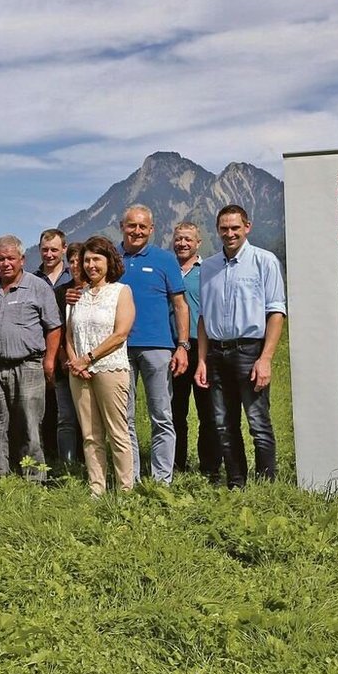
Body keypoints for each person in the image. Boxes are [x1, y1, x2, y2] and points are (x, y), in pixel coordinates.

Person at [194, 205, 287, 488]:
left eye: (235, 228)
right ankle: (236, 484)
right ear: (217, 229)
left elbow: (276, 312)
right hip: (216, 353)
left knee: (258, 423)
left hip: (250, 351)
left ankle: (265, 487)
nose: (229, 233)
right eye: (224, 228)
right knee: (224, 424)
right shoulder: (208, 267)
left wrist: (266, 358)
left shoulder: (264, 261)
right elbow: (203, 317)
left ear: (247, 227)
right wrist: (201, 360)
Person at [119, 204, 190, 483]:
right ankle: (131, 478)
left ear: (151, 229)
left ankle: (162, 480)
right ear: (122, 226)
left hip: (158, 347)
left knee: (161, 415)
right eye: (131, 225)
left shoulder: (164, 259)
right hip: (119, 348)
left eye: (142, 226)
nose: (136, 231)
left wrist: (182, 345)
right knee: (125, 419)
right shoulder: (111, 257)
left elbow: (180, 305)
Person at [0, 236, 62, 482]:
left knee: (29, 425)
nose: (5, 263)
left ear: (22, 260)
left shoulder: (38, 287)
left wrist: (49, 361)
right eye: (1, 259)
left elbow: (54, 327)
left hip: (28, 365)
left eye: (10, 258)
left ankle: (34, 478)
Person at [65, 236, 135, 496]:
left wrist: (89, 358)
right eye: (86, 260)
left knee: (117, 432)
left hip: (110, 368)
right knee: (90, 434)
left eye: (97, 259)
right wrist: (76, 362)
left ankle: (125, 490)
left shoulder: (121, 291)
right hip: (79, 372)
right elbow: (69, 336)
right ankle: (97, 489)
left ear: (109, 261)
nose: (91, 265)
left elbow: (120, 334)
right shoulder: (75, 296)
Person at [169, 221, 221, 478]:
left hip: (203, 347)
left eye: (188, 239)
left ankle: (209, 468)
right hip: (173, 349)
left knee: (208, 412)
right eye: (179, 239)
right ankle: (176, 465)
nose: (183, 243)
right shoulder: (167, 268)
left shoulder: (209, 270)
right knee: (175, 411)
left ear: (198, 243)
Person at [35, 229, 80, 468]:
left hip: (74, 355)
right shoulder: (33, 279)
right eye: (45, 249)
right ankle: (53, 457)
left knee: (76, 412)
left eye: (54, 249)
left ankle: (79, 459)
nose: (49, 254)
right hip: (46, 352)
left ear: (64, 249)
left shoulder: (72, 276)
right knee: (51, 410)